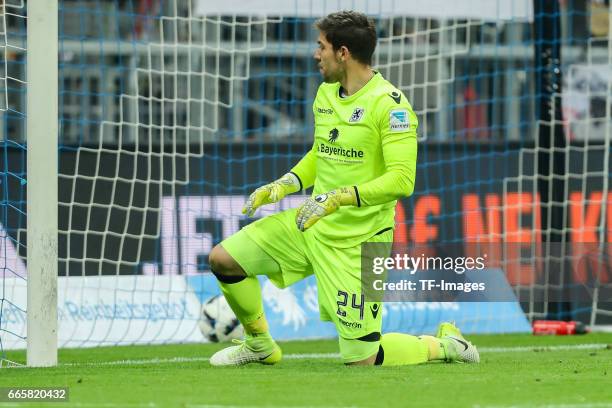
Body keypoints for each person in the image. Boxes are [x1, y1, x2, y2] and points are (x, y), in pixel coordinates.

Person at [207, 10, 479, 366]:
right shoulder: (325, 94)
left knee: (363, 358)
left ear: (343, 52)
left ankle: (445, 345)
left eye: (321, 47)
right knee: (224, 259)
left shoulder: (391, 107)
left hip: (362, 243)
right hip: (312, 225)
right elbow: (324, 152)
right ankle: (259, 345)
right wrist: (285, 184)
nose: (315, 54)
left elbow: (402, 180)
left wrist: (338, 197)